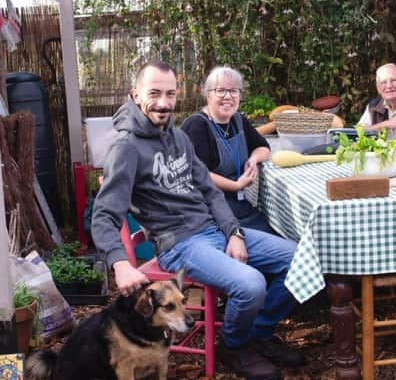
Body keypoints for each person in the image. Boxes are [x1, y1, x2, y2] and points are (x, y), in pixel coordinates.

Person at [91, 61, 303, 380]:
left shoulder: (179, 137)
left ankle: (257, 332)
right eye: (154, 93)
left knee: (300, 258)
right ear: (135, 95)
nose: (163, 102)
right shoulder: (125, 148)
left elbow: (209, 190)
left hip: (214, 229)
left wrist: (233, 232)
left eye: (170, 94)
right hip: (180, 243)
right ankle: (233, 345)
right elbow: (104, 214)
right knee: (251, 283)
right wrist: (119, 263)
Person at [180, 66, 275, 234]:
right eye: (221, 91)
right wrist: (236, 185)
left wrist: (253, 159)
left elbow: (263, 148)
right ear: (208, 95)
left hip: (239, 204)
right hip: (210, 212)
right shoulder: (197, 126)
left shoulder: (237, 120)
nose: (228, 97)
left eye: (233, 91)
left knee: (276, 233)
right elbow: (198, 174)